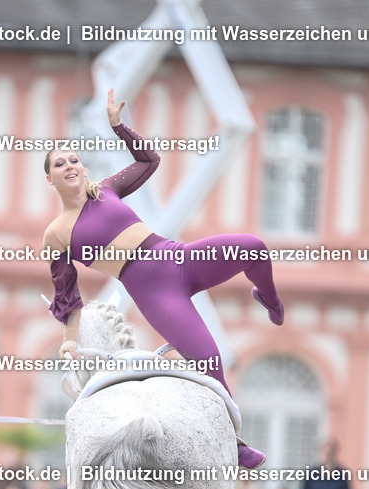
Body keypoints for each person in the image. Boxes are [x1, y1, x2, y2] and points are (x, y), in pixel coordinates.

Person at [43, 89, 284, 469]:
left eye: (74, 159)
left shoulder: (106, 191)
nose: (70, 165)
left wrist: (119, 127)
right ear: (50, 179)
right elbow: (66, 294)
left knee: (252, 248)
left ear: (84, 168)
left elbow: (149, 160)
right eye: (59, 164)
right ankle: (233, 443)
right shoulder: (56, 234)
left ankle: (269, 298)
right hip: (153, 291)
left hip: (178, 258)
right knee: (209, 359)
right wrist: (70, 341)